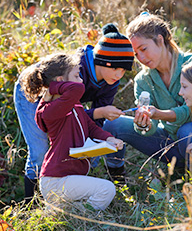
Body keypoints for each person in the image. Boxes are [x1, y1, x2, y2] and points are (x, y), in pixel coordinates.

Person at [13, 23, 134, 203]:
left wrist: (95, 141)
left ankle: (69, 197)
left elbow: (84, 120)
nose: (119, 75)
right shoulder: (78, 69)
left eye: (123, 70)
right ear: (101, 61)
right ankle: (31, 205)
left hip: (66, 103)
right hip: (35, 94)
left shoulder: (111, 81)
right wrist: (99, 111)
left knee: (82, 149)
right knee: (39, 151)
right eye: (115, 68)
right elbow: (75, 99)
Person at [20, 52, 124, 210]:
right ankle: (82, 218)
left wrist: (108, 139)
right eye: (77, 75)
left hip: (68, 178)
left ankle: (64, 213)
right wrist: (52, 87)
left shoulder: (74, 106)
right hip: (56, 179)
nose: (81, 80)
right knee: (106, 189)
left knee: (72, 207)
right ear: (61, 81)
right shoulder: (48, 110)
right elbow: (77, 89)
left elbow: (91, 127)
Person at [103, 12, 192, 169]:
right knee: (112, 125)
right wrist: (144, 124)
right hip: (168, 144)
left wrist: (160, 114)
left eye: (144, 49)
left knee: (188, 130)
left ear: (160, 40)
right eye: (136, 54)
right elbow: (149, 129)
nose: (141, 58)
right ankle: (116, 177)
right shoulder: (142, 80)